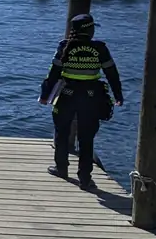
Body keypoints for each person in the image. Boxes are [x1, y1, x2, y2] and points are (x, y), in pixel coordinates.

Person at [38, 13, 124, 191]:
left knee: (61, 132)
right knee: (86, 138)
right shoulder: (100, 48)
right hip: (91, 97)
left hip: (67, 96)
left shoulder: (64, 47)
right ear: (90, 30)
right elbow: (112, 74)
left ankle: (61, 169)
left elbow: (53, 73)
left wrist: (45, 95)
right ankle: (85, 179)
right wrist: (118, 95)